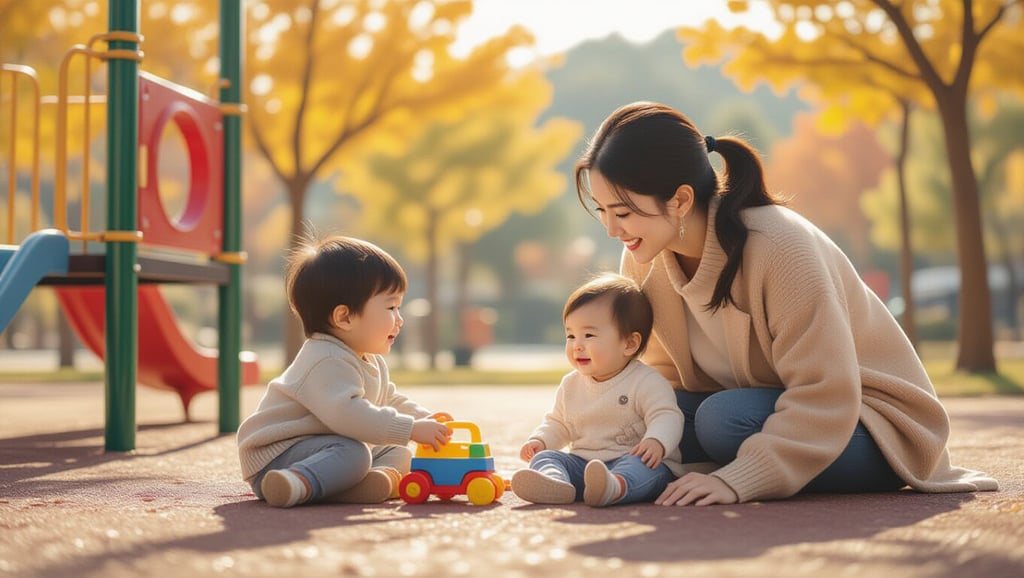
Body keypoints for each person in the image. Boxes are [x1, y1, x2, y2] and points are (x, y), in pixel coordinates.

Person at [573, 101, 999, 506]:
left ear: (681, 199)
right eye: (603, 211)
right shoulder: (644, 256)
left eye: (623, 212)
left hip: (867, 426)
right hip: (761, 409)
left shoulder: (780, 247)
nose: (612, 229)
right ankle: (600, 476)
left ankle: (728, 467)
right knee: (649, 414)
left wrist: (735, 480)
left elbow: (825, 393)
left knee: (721, 420)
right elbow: (663, 378)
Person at [237, 235, 451, 508]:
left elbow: (390, 399)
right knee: (355, 454)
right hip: (279, 454)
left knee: (398, 450)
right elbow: (347, 413)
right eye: (391, 307)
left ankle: (374, 481)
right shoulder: (324, 359)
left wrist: (425, 419)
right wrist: (410, 428)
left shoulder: (368, 359)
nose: (400, 319)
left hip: (323, 446)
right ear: (344, 317)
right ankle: (294, 482)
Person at [511, 273, 685, 507]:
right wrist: (541, 441)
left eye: (589, 335)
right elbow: (558, 423)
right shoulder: (571, 384)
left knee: (642, 468)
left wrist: (657, 441)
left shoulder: (645, 381)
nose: (577, 345)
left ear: (629, 343)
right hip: (585, 465)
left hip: (636, 460)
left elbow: (667, 415)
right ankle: (555, 482)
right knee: (548, 458)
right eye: (570, 335)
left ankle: (615, 487)